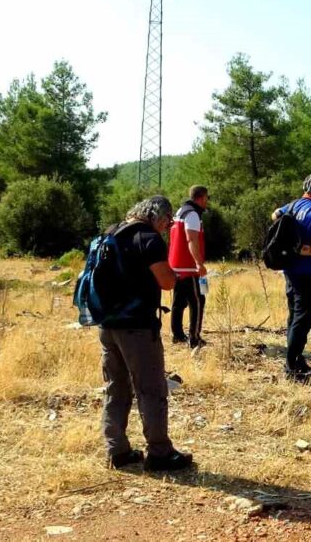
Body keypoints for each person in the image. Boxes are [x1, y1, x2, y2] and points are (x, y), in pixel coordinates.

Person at [100, 196, 193, 472]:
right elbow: (166, 281)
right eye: (166, 222)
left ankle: (117, 451)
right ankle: (160, 453)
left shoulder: (110, 233)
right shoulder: (149, 239)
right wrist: (175, 275)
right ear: (158, 216)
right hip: (138, 327)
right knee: (151, 389)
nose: (165, 228)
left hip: (107, 324)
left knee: (115, 388)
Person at [272, 173, 311, 383]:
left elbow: (274, 215)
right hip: (309, 272)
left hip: (290, 270)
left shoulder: (292, 206)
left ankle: (297, 359)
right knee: (302, 319)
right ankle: (291, 365)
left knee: (294, 315)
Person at [169, 185, 209, 349]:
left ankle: (177, 335)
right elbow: (191, 240)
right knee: (198, 300)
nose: (207, 202)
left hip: (176, 265)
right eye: (207, 198)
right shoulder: (192, 214)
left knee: (178, 301)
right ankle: (194, 338)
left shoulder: (181, 211)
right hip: (189, 266)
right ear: (201, 198)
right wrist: (199, 264)